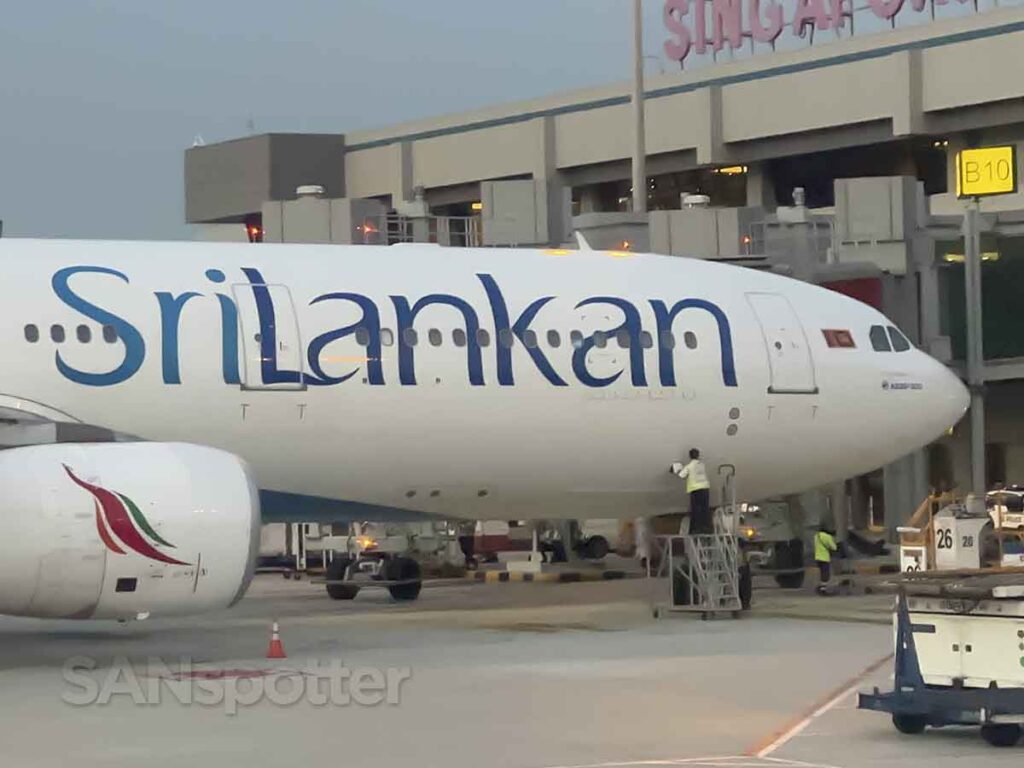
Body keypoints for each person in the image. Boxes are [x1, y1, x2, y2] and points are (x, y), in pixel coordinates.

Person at [671, 448, 712, 534]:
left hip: (695, 489)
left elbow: (682, 475)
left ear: (690, 456)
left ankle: (695, 529)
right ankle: (707, 528)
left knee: (696, 509)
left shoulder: (690, 466)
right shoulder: (702, 464)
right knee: (705, 509)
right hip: (705, 488)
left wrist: (676, 470)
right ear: (698, 455)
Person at [814, 525, 838, 590]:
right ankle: (823, 588)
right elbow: (834, 547)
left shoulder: (816, 536)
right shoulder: (827, 537)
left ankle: (821, 586)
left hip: (817, 557)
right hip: (824, 558)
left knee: (822, 572)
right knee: (825, 573)